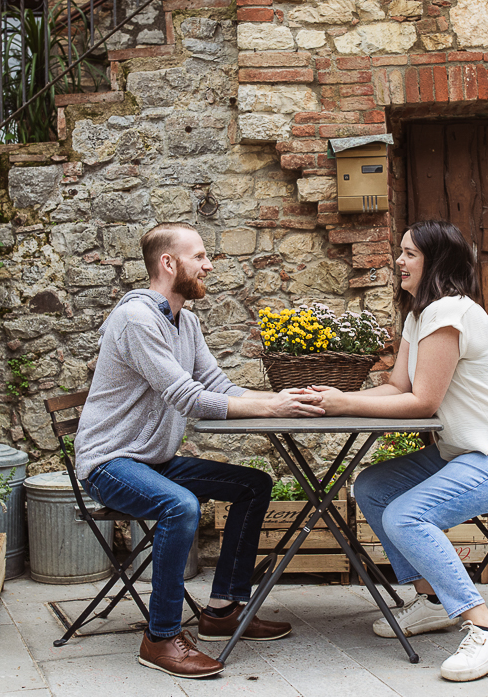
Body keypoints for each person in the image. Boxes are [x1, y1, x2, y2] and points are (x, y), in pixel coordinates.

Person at [74, 221, 325, 679]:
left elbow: (217, 385)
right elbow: (185, 397)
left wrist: (284, 398)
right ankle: (162, 636)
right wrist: (270, 410)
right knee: (180, 506)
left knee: (253, 485)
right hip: (110, 464)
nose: (209, 265)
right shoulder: (136, 319)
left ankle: (221, 610)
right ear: (169, 263)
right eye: (200, 256)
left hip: (155, 460)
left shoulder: (184, 321)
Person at [310, 219, 488, 682]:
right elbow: (398, 386)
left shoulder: (450, 313)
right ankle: (434, 600)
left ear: (436, 262)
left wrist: (345, 403)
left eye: (410, 254)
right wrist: (332, 400)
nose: (398, 261)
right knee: (374, 487)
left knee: (406, 515)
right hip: (469, 451)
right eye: (400, 252)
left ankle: (486, 630)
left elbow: (422, 402)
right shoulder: (421, 315)